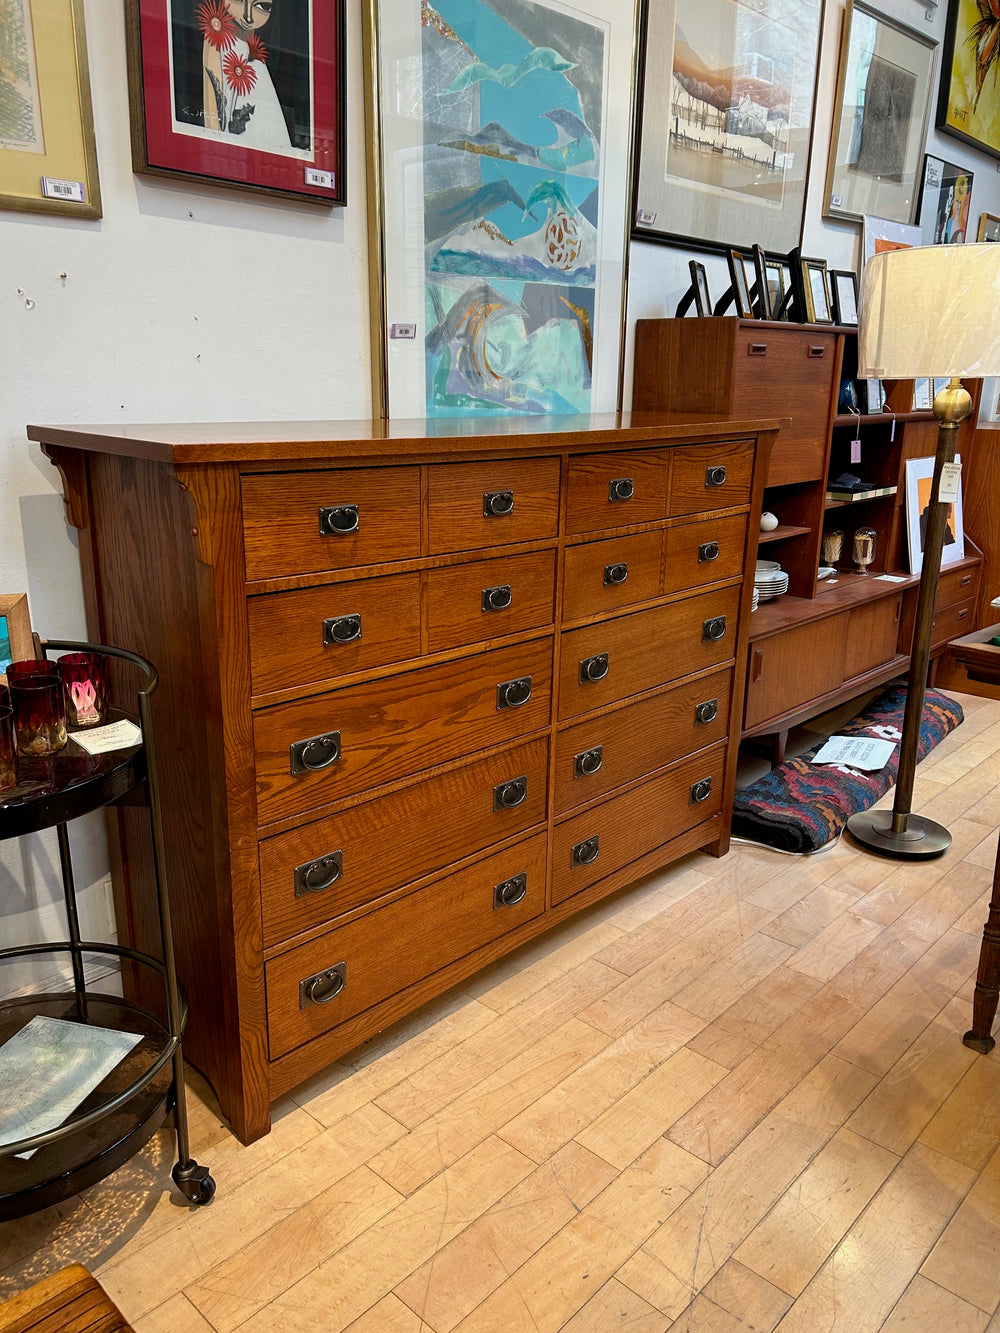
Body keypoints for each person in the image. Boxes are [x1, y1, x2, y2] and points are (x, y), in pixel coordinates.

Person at [197, 0, 291, 150]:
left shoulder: (255, 52)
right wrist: (214, 144)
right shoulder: (215, 34)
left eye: (262, 6)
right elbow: (211, 94)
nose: (248, 17)